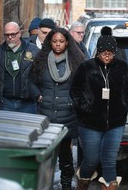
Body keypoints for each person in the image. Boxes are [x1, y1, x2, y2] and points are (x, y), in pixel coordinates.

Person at [70, 26, 128, 190]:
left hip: (115, 123)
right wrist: (87, 108)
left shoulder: (123, 67)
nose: (107, 55)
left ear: (114, 52)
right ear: (98, 52)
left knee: (109, 160)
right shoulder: (87, 67)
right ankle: (82, 183)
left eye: (110, 52)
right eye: (103, 52)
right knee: (91, 160)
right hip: (90, 124)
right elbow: (75, 91)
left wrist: (123, 107)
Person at [29, 27, 86, 189]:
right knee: (45, 156)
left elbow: (84, 85)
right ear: (50, 42)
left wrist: (73, 101)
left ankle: (66, 184)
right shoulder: (41, 60)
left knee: (65, 155)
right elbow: (31, 80)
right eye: (54, 41)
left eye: (61, 41)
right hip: (45, 115)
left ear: (67, 42)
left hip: (67, 116)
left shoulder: (76, 61)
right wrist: (38, 96)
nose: (58, 45)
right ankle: (43, 184)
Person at [0, 21, 39, 113]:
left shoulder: (33, 51)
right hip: (5, 103)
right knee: (5, 127)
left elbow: (42, 75)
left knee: (28, 127)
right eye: (7, 35)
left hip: (28, 103)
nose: (10, 37)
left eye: (13, 34)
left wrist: (40, 95)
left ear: (19, 33)